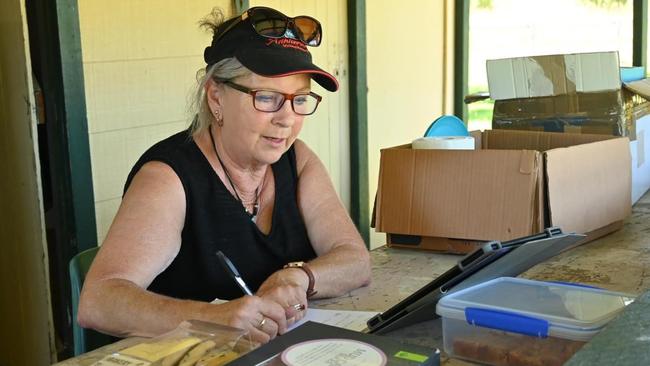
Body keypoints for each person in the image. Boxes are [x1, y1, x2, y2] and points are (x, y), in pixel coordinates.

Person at [77, 6, 371, 344]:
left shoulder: (297, 160)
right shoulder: (169, 177)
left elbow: (355, 259)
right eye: (268, 98)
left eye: (300, 99)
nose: (287, 119)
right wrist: (215, 317)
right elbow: (98, 302)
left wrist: (298, 277)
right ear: (216, 96)